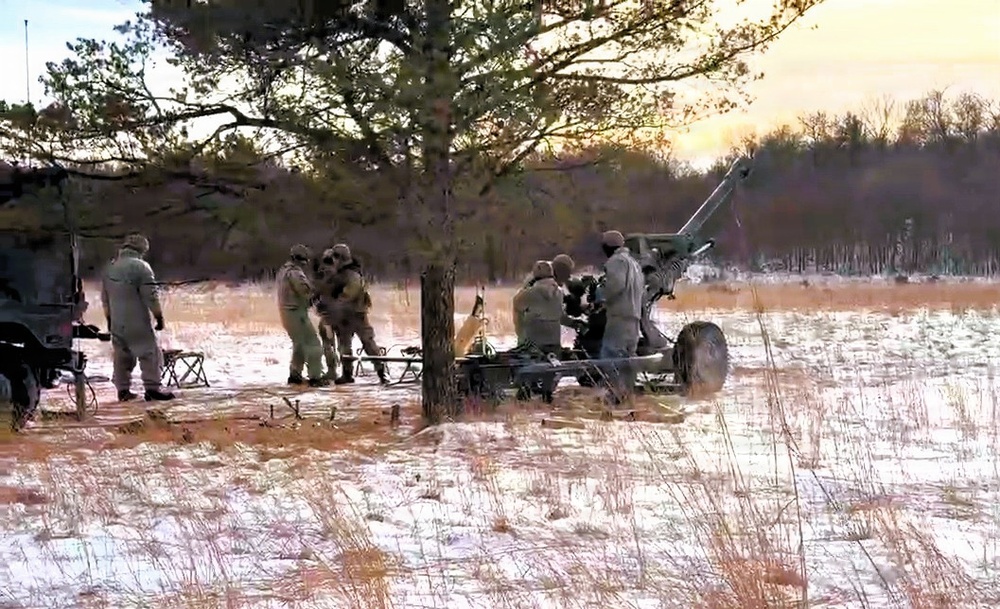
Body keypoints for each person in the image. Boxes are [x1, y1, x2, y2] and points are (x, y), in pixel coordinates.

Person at [99, 232, 175, 402]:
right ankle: (152, 389)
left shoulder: (110, 268)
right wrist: (159, 316)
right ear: (142, 249)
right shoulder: (141, 267)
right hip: (138, 320)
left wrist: (109, 320)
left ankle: (123, 391)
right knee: (150, 353)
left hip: (117, 321)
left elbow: (105, 298)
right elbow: (151, 295)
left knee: (121, 356)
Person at [327, 244, 388, 385]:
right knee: (344, 345)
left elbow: (349, 293)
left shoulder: (352, 274)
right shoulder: (340, 274)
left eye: (335, 257)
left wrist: (335, 304)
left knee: (368, 343)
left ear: (340, 258)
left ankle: (382, 372)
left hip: (356, 314)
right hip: (344, 316)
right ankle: (347, 374)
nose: (333, 261)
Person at [595, 230, 644, 404]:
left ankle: (614, 396)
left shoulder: (616, 262)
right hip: (634, 318)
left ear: (607, 247)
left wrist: (599, 296)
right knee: (628, 359)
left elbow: (615, 285)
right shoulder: (634, 263)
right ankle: (627, 395)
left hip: (619, 317)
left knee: (610, 357)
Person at [276, 244, 328, 387]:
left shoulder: (283, 271)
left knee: (299, 344)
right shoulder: (295, 273)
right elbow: (305, 292)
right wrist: (318, 289)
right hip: (296, 312)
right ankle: (315, 377)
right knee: (313, 344)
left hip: (287, 312)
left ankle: (295, 376)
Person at [512, 260, 564, 355]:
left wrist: (526, 285)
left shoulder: (529, 294)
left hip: (533, 344)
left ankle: (522, 341)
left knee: (519, 312)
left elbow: (516, 302)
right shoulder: (560, 293)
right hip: (555, 343)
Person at [311, 248, 341, 379]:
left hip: (327, 314)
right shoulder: (341, 275)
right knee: (341, 344)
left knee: (328, 344)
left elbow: (315, 294)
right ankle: (345, 371)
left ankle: (332, 370)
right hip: (341, 314)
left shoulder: (322, 276)